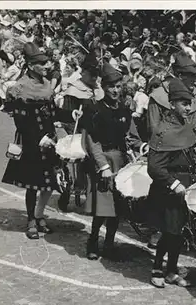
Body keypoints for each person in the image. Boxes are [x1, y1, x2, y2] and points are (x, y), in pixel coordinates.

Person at [147, 78, 196, 288]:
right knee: (169, 231)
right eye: (183, 103)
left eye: (189, 103)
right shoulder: (163, 130)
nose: (188, 107)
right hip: (169, 189)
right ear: (172, 104)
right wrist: (174, 184)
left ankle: (171, 270)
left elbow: (192, 154)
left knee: (179, 233)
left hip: (187, 185)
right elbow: (154, 167)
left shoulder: (186, 126)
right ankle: (157, 268)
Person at [81, 62, 146, 261]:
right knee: (102, 208)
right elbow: (92, 142)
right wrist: (103, 166)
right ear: (104, 86)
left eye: (118, 87)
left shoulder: (125, 111)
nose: (115, 91)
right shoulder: (94, 109)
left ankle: (109, 244)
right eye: (111, 87)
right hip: (104, 162)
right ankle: (93, 241)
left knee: (118, 208)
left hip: (121, 162)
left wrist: (143, 147)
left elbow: (131, 136)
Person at [2, 42, 59, 239]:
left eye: (46, 63)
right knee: (33, 185)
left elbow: (53, 113)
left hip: (49, 138)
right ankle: (31, 220)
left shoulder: (46, 86)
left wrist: (71, 114)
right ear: (32, 65)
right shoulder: (20, 88)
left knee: (49, 182)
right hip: (31, 141)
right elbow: (21, 122)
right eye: (42, 64)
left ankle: (40, 215)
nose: (47, 67)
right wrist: (38, 139)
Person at [54, 52, 104, 211]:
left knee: (94, 166)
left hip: (94, 132)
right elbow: (68, 117)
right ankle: (65, 195)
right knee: (71, 164)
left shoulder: (97, 89)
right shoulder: (74, 89)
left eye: (97, 75)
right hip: (76, 131)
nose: (95, 79)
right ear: (83, 73)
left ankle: (92, 201)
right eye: (92, 75)